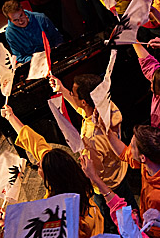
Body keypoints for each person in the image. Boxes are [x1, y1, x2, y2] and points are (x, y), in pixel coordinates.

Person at [0, 105, 106, 238]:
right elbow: (35, 143)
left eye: (41, 167)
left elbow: (38, 236)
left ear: (52, 178)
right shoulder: (73, 182)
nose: (37, 163)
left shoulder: (61, 212)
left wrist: (7, 225)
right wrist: (11, 117)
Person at [48, 72, 136, 218]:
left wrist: (83, 162)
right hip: (119, 170)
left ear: (84, 101)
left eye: (73, 94)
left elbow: (96, 171)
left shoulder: (91, 138)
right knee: (131, 206)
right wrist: (62, 90)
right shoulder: (105, 107)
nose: (71, 94)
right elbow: (83, 111)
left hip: (108, 184)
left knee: (114, 220)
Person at [2, 0, 63, 66]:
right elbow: (19, 56)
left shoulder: (41, 18)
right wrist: (37, 60)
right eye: (15, 20)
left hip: (53, 54)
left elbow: (57, 38)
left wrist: (57, 51)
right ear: (10, 20)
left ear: (23, 10)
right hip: (34, 63)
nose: (20, 21)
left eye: (21, 16)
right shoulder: (10, 34)